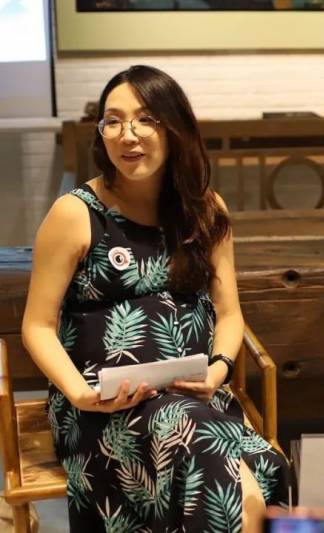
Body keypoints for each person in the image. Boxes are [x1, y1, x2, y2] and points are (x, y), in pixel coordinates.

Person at [21, 65, 289, 532]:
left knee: (258, 477)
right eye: (113, 121)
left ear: (175, 128)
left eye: (146, 119)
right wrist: (81, 395)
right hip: (104, 408)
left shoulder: (205, 210)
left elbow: (229, 315)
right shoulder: (75, 214)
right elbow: (37, 326)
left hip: (196, 398)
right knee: (232, 487)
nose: (128, 135)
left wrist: (218, 371)